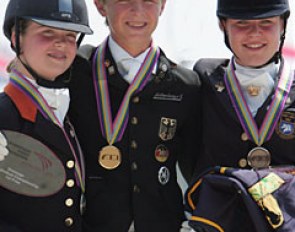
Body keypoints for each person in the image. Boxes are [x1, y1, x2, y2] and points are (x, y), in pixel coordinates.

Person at [68, 0, 201, 231]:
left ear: (162, 6)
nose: (137, 10)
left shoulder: (185, 85)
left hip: (163, 223)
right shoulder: (74, 69)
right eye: (124, 0)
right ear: (100, 5)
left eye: (149, 1)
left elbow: (196, 167)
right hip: (91, 223)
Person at [185, 0, 295, 231]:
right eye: (241, 23)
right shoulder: (203, 78)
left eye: (266, 22)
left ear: (283, 25)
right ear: (222, 25)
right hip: (220, 221)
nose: (254, 33)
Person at [0, 0, 92, 231]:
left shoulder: (71, 113)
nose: (61, 43)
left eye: (70, 35)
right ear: (15, 37)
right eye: (47, 31)